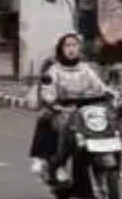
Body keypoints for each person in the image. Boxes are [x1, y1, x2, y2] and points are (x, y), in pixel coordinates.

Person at [28, 33, 110, 182]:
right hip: (61, 109)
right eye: (68, 45)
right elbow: (48, 91)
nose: (71, 49)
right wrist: (54, 103)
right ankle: (56, 164)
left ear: (80, 48)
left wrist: (110, 93)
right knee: (53, 123)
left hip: (85, 110)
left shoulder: (85, 69)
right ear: (61, 49)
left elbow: (99, 87)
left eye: (74, 45)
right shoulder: (54, 70)